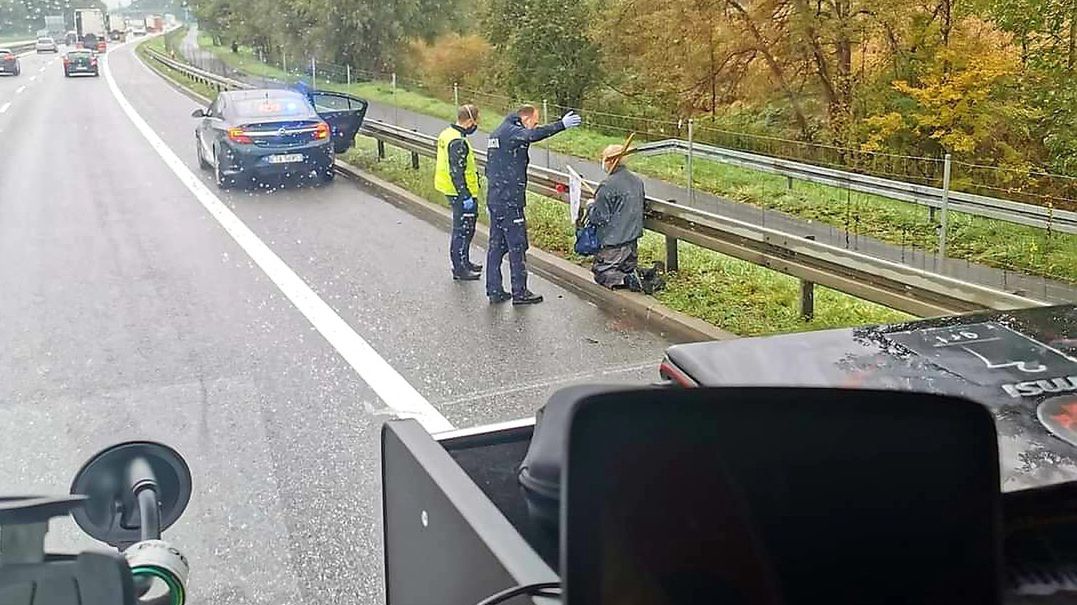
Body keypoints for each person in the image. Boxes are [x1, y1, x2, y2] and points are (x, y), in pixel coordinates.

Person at [485, 105, 583, 304]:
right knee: (517, 246)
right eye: (535, 122)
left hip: (496, 198)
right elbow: (532, 136)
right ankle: (520, 292)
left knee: (496, 246)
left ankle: (494, 289)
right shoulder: (513, 131)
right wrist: (561, 125)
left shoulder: (498, 132)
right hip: (510, 201)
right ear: (526, 119)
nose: (535, 126)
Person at [434, 104, 483, 280]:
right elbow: (457, 171)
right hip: (460, 192)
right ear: (469, 121)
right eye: (476, 121)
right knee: (462, 230)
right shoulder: (458, 141)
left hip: (449, 188)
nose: (476, 125)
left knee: (464, 229)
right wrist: (465, 195)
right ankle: (460, 269)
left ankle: (464, 261)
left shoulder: (447, 133)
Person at [587, 144, 646, 290]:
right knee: (626, 268)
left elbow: (599, 217)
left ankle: (629, 280)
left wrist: (590, 205)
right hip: (632, 242)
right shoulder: (637, 181)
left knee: (602, 275)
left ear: (610, 161)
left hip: (613, 244)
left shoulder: (607, 185)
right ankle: (634, 275)